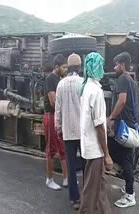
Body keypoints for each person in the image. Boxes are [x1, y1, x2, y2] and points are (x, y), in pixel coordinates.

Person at [79, 52, 113, 214]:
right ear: (96, 68)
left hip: (88, 145)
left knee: (98, 185)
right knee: (91, 189)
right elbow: (99, 125)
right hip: (95, 149)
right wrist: (106, 154)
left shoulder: (86, 88)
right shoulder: (96, 91)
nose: (103, 69)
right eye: (100, 66)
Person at [107, 52, 137, 208]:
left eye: (116, 64)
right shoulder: (131, 80)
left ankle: (130, 195)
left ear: (123, 64)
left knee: (121, 157)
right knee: (127, 158)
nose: (114, 67)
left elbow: (122, 100)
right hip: (130, 124)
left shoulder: (123, 79)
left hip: (124, 125)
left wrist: (111, 117)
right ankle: (128, 186)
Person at [55, 53, 83, 210]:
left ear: (68, 67)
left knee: (71, 167)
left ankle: (75, 199)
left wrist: (58, 128)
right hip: (83, 132)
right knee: (86, 165)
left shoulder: (61, 85)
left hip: (67, 132)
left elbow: (57, 111)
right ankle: (88, 195)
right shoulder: (83, 84)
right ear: (79, 67)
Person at [43, 54, 68, 190]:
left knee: (63, 147)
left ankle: (66, 178)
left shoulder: (60, 79)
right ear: (57, 67)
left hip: (59, 116)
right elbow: (53, 102)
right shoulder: (50, 79)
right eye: (64, 67)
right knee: (51, 148)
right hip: (51, 116)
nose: (66, 70)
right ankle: (49, 179)